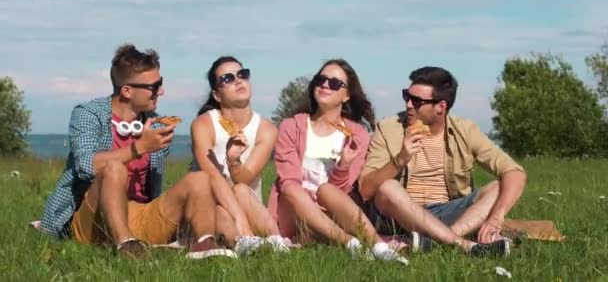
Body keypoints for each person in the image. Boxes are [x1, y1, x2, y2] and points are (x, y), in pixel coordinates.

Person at [40, 44, 234, 259]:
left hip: (139, 215)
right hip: (93, 219)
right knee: (114, 168)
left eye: (160, 83)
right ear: (126, 91)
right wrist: (139, 148)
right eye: (154, 86)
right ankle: (126, 245)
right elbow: (86, 165)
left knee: (199, 179)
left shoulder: (155, 125)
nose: (161, 91)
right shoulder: (88, 115)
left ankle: (205, 245)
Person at [358, 66, 527, 257]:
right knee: (387, 187)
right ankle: (461, 244)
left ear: (441, 106)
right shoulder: (388, 129)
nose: (408, 105)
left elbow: (514, 172)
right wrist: (399, 160)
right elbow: (366, 188)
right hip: (397, 216)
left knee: (498, 187)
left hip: (446, 213)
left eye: (417, 101)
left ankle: (435, 242)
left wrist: (496, 218)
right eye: (407, 96)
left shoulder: (465, 130)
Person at [268, 59, 408, 264]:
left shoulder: (357, 135)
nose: (325, 85)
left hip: (334, 214)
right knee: (291, 189)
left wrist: (342, 166)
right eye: (321, 80)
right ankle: (351, 242)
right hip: (294, 215)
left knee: (326, 190)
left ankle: (378, 246)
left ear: (347, 95)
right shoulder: (291, 126)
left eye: (334, 83)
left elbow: (343, 194)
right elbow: (289, 182)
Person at [191, 56, 290, 255]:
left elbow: (245, 179)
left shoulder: (266, 129)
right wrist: (241, 221)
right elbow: (211, 176)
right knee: (218, 207)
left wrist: (233, 160)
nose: (238, 80)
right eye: (227, 79)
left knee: (241, 190)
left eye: (242, 74)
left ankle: (275, 241)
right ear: (217, 95)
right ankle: (246, 240)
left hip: (247, 205)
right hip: (212, 206)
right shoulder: (203, 124)